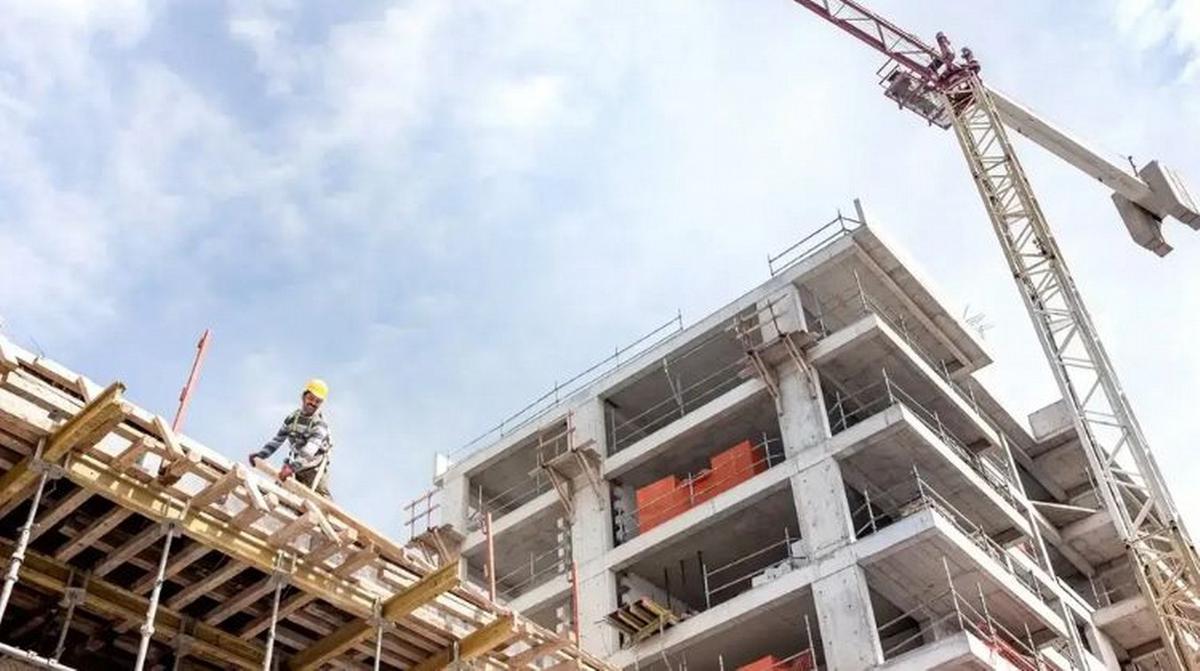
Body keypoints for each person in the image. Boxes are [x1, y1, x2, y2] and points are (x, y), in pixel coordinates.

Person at [250, 379, 333, 496]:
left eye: (317, 401)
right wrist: (261, 455)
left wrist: (292, 467)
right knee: (281, 490)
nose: (313, 403)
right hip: (295, 463)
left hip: (313, 468)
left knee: (320, 500)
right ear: (303, 397)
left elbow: (310, 449)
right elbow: (277, 440)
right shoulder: (292, 419)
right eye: (310, 398)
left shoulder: (320, 424)